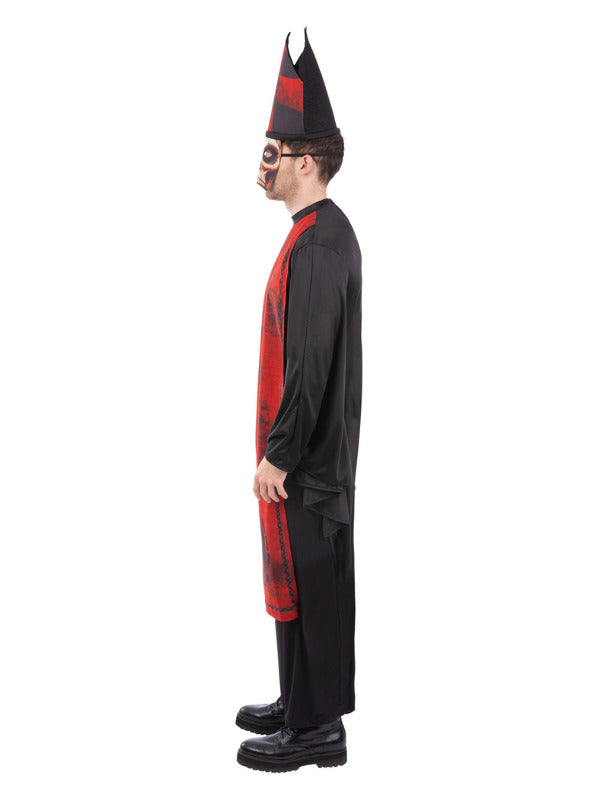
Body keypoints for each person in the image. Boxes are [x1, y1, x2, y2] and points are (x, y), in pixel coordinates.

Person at [236, 27, 362, 773]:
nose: (265, 162)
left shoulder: (318, 243)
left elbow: (310, 367)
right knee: (298, 580)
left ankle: (317, 729)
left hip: (308, 467)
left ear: (304, 161)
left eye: (275, 150)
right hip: (308, 464)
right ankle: (299, 700)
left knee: (315, 587)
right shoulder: (316, 233)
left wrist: (279, 455)